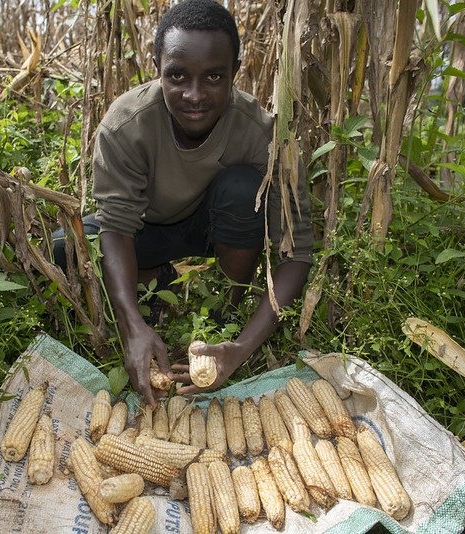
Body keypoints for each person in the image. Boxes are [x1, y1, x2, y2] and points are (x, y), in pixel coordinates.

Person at [56, 0, 313, 408]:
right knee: (62, 249)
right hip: (146, 230)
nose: (194, 95)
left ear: (235, 72)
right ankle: (157, 284)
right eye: (177, 76)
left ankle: (223, 317)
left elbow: (297, 253)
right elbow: (117, 227)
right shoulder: (126, 125)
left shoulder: (261, 134)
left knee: (244, 188)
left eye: (213, 76)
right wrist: (131, 326)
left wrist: (244, 347)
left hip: (211, 230)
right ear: (156, 66)